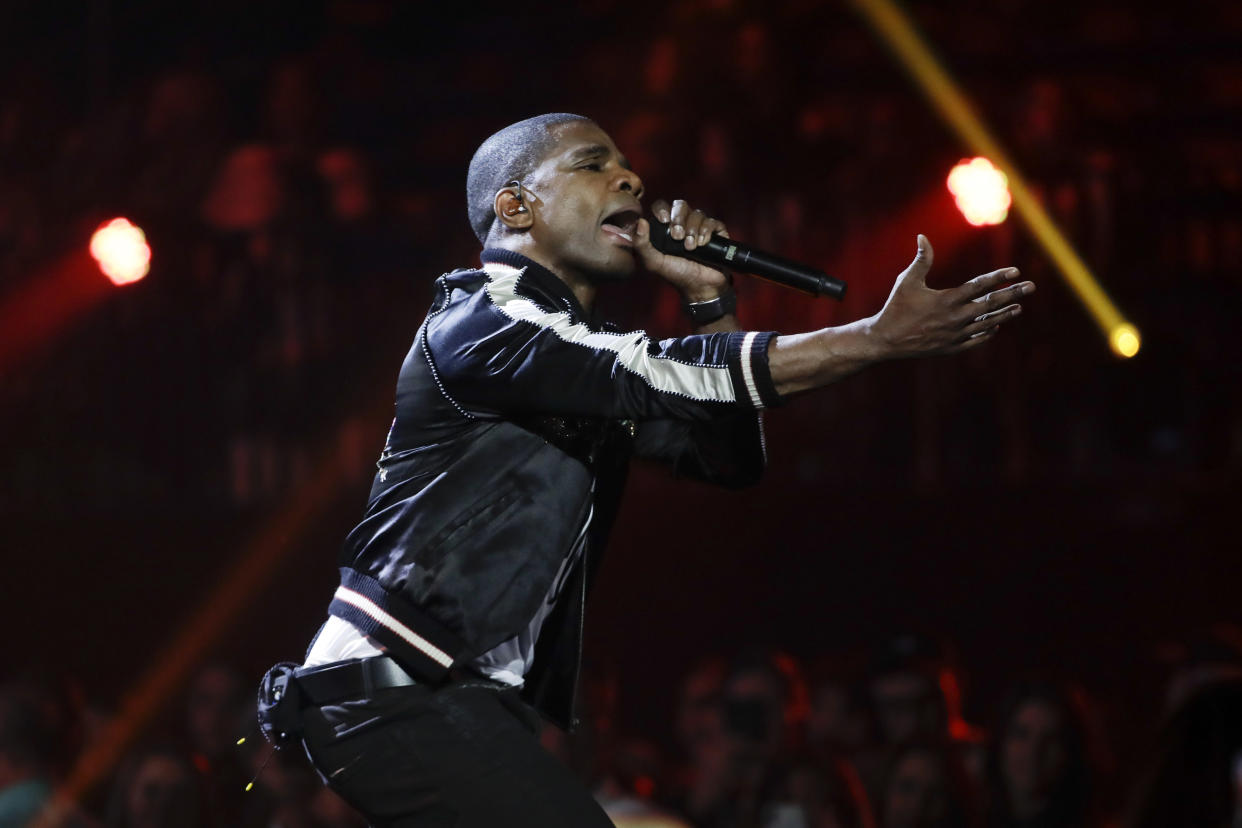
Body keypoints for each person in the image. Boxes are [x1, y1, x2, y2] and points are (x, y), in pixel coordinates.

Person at [279, 112, 1033, 826]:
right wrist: (873, 338)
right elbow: (656, 374)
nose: (631, 179)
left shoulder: (575, 353)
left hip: (451, 702)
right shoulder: (481, 321)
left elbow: (726, 458)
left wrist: (709, 297)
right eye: (593, 164)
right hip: (392, 691)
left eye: (628, 165)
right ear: (515, 205)